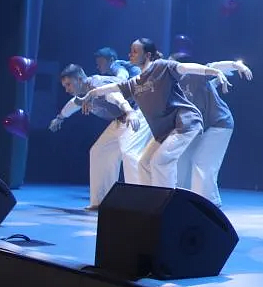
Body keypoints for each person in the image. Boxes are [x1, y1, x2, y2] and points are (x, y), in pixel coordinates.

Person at [82, 38, 251, 188]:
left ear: (148, 55)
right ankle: (149, 201)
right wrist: (92, 93)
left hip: (187, 123)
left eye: (135, 51)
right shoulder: (136, 82)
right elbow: (115, 87)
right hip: (167, 130)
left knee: (162, 162)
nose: (130, 54)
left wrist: (219, 70)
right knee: (144, 162)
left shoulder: (162, 67)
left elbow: (188, 67)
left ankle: (167, 203)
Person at [49, 64, 151, 210]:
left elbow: (115, 96)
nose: (67, 89)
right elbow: (74, 104)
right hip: (120, 120)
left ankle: (139, 204)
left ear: (79, 79)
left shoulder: (98, 85)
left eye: (69, 84)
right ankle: (102, 201)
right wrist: (60, 118)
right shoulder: (83, 94)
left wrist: (129, 112)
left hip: (136, 113)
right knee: (99, 151)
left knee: (129, 153)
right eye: (65, 86)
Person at [170, 52, 247, 208]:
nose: (169, 67)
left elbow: (213, 66)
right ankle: (183, 201)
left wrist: (235, 65)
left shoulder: (193, 75)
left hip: (219, 124)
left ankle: (209, 204)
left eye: (172, 64)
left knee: (202, 163)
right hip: (199, 128)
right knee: (181, 159)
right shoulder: (172, 86)